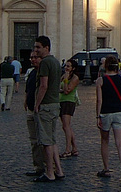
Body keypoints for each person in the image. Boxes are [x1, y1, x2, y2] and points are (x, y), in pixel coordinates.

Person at [33, 35, 65, 182]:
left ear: (46, 48)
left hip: (45, 105)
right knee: (52, 140)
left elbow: (44, 85)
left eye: (38, 47)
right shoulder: (56, 62)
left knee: (46, 142)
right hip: (55, 104)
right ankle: (58, 170)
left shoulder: (45, 63)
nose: (35, 50)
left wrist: (36, 104)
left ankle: (50, 173)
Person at [95, 55, 121, 182]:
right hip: (119, 112)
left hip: (105, 113)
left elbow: (99, 100)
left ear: (105, 66)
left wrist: (97, 115)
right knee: (120, 142)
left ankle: (106, 169)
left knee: (105, 141)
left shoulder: (100, 80)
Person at [24, 51, 46, 177]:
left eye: (35, 57)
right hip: (31, 109)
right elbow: (28, 88)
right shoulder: (32, 72)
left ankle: (48, 167)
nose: (32, 59)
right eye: (31, 57)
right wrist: (26, 100)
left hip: (40, 109)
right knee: (33, 140)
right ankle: (38, 166)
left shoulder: (43, 73)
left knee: (43, 140)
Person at [59, 59, 80, 158]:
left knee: (66, 126)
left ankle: (68, 149)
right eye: (65, 66)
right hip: (61, 101)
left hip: (68, 102)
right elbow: (59, 88)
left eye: (68, 66)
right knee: (65, 126)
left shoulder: (75, 78)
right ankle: (74, 148)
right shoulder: (63, 76)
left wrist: (66, 80)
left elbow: (67, 90)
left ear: (73, 68)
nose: (66, 68)